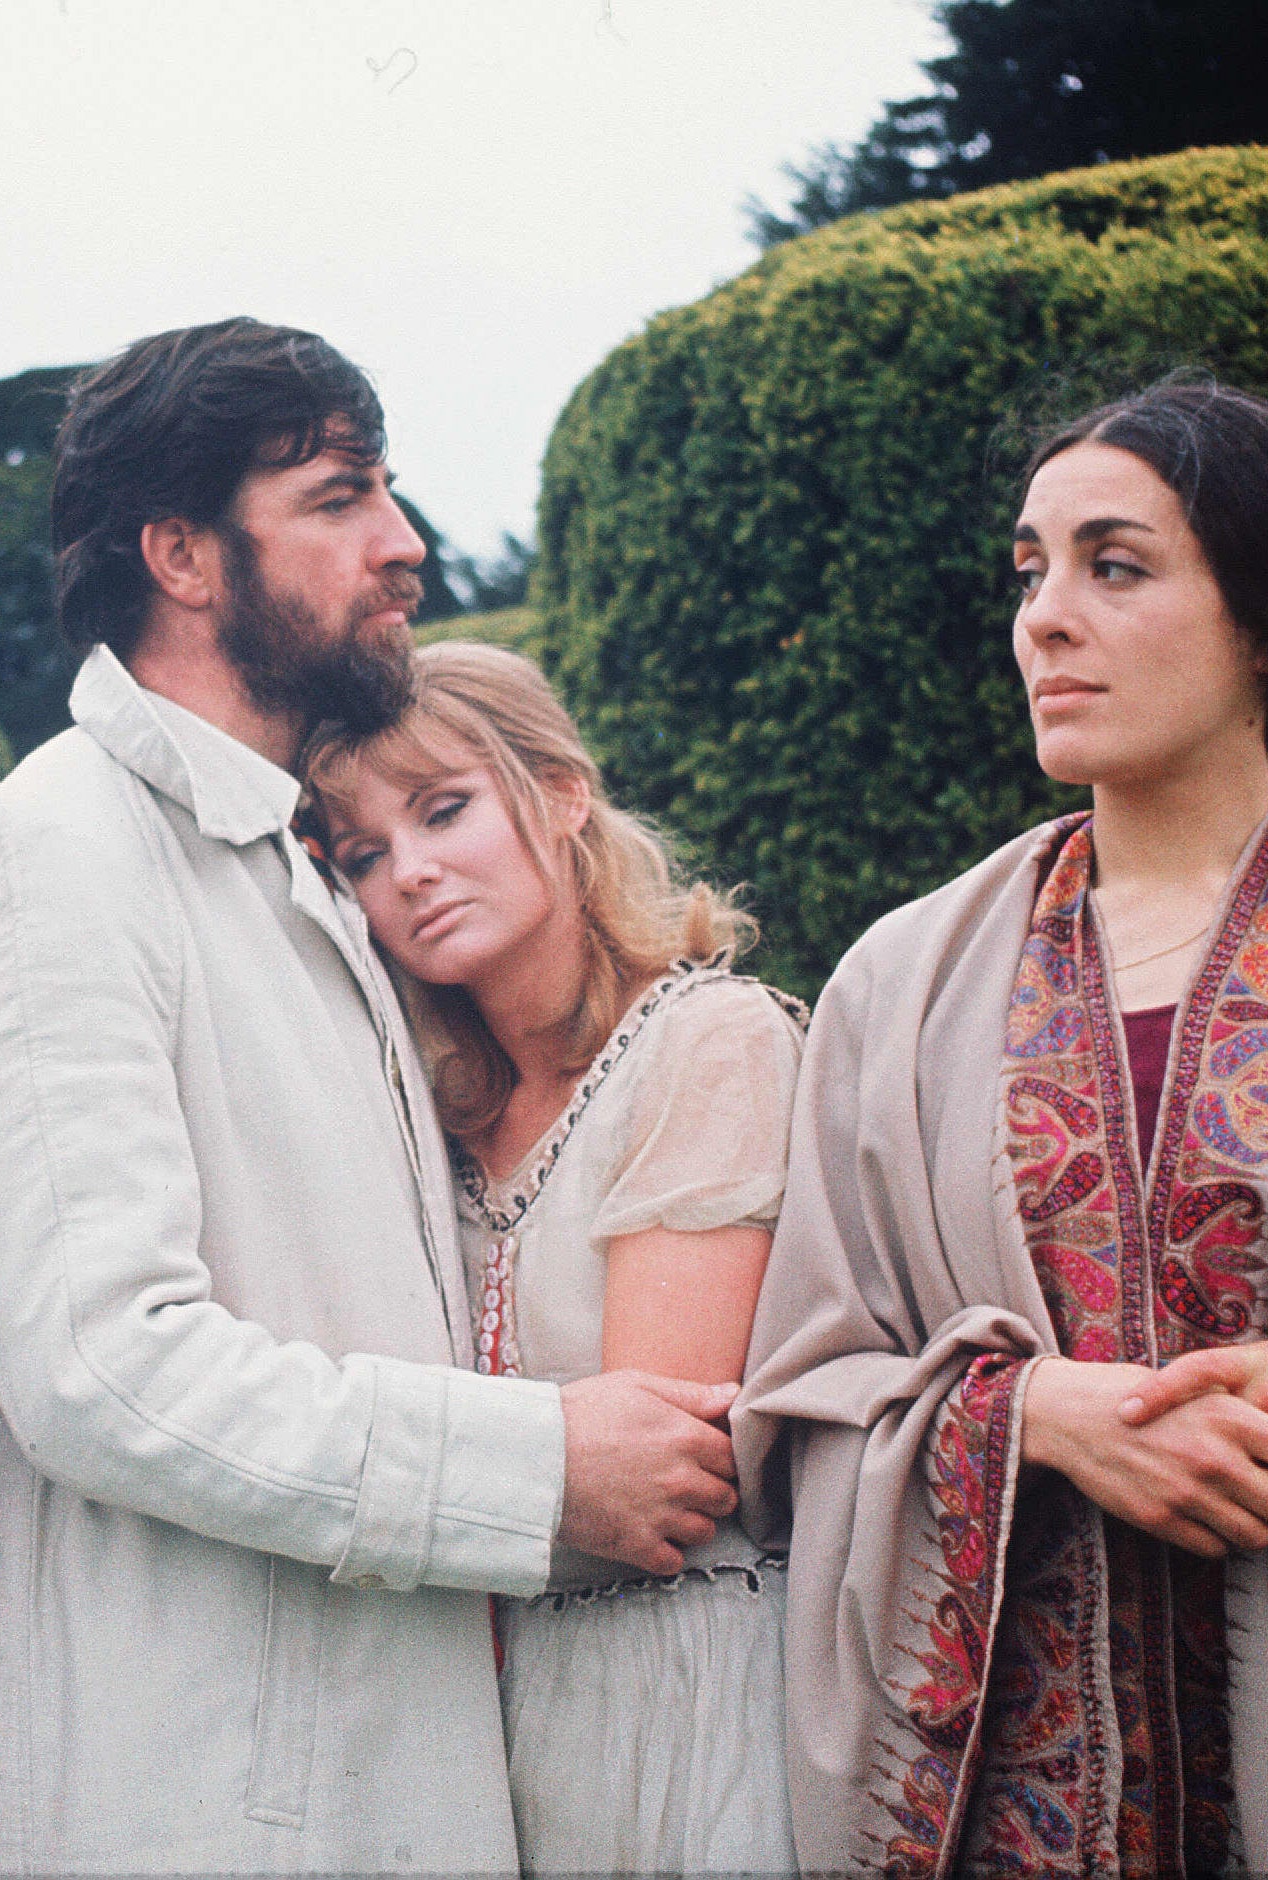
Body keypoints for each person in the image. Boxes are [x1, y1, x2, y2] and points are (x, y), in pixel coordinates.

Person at [0, 318, 747, 1873]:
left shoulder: (289, 860)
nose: (405, 544)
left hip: (388, 1770)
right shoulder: (62, 855)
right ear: (184, 553)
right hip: (189, 1793)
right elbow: (103, 1367)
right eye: (342, 497)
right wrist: (542, 1465)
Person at [739, 378, 1268, 1874]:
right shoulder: (899, 983)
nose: (1045, 619)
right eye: (1030, 571)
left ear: (1262, 621)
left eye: (1114, 564)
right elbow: (800, 1397)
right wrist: (1034, 1417)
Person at [300, 638, 801, 1875]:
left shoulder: (708, 1040)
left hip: (674, 1698)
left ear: (563, 793)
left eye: (444, 809)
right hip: (464, 1722)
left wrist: (330, 1493)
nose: (410, 871)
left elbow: (664, 1478)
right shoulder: (424, 1114)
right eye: (363, 853)